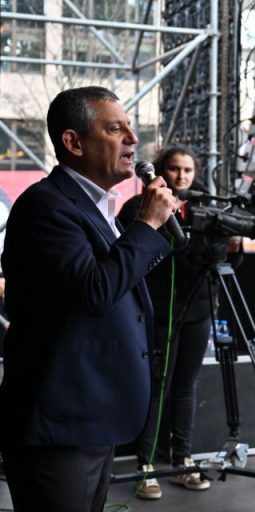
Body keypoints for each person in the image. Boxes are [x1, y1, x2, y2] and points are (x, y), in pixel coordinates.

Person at [0, 86, 175, 512]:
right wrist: (148, 224)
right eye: (116, 129)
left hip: (93, 418)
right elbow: (95, 291)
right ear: (73, 142)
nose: (133, 139)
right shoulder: (47, 207)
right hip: (60, 426)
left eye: (131, 127)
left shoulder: (98, 208)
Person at [116, 145, 213, 499]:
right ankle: (146, 465)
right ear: (161, 171)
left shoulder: (203, 211)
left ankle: (182, 459)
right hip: (158, 311)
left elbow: (219, 266)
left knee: (186, 387)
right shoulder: (136, 209)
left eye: (188, 170)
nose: (182, 176)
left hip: (198, 311)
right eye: (175, 169)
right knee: (158, 387)